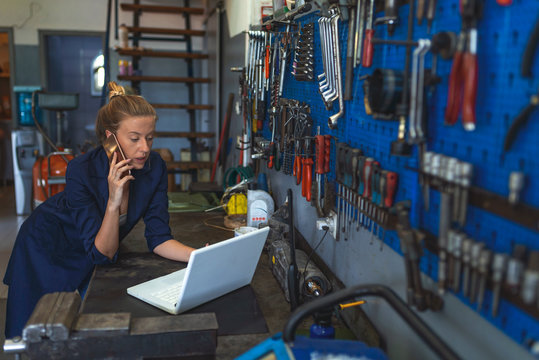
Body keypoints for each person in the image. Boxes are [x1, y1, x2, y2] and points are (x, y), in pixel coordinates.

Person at [3, 82, 197, 338]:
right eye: (135, 138)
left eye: (150, 137)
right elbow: (102, 253)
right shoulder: (80, 170)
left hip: (94, 246)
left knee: (94, 323)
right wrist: (114, 201)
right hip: (48, 242)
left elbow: (159, 238)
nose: (145, 148)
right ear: (111, 139)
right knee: (33, 331)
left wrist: (199, 257)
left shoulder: (155, 168)